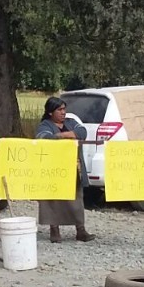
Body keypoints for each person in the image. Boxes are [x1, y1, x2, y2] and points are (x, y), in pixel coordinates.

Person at [35, 97, 95, 243]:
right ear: (50, 112)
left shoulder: (71, 123)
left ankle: (80, 230)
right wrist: (67, 136)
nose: (63, 112)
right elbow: (44, 138)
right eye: (59, 110)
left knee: (76, 198)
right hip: (53, 169)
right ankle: (54, 230)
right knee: (53, 200)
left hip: (74, 168)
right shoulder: (45, 125)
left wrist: (62, 135)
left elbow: (82, 132)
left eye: (64, 109)